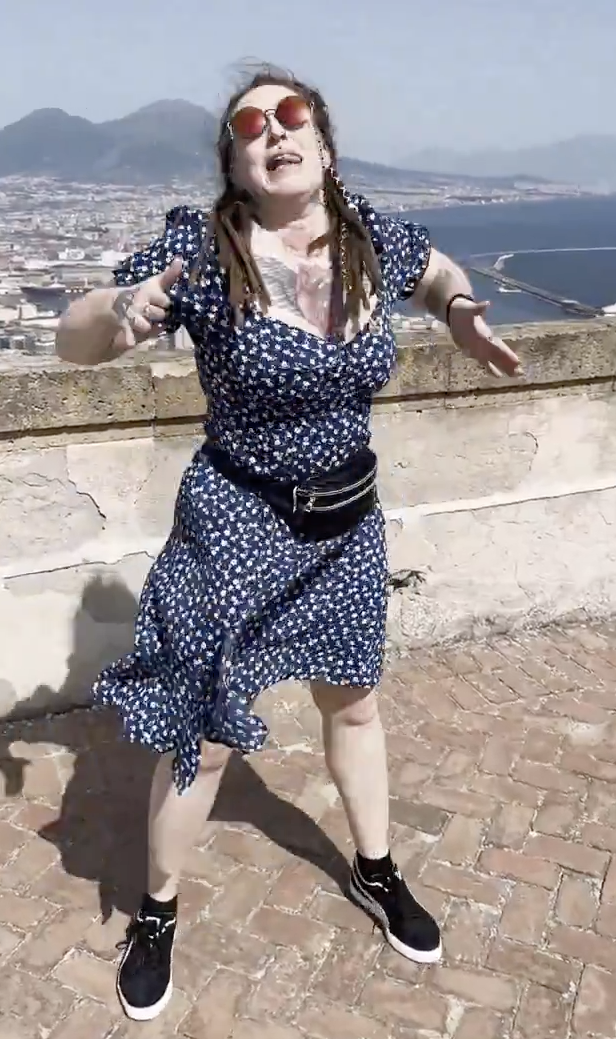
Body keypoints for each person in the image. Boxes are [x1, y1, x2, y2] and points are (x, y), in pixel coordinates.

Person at [56, 65, 521, 1022]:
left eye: (292, 113)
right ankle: (157, 911)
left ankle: (377, 869)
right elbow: (73, 338)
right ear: (234, 164)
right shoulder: (201, 248)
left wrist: (460, 311)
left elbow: (439, 275)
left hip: (347, 524)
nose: (274, 129)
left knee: (354, 704)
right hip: (238, 521)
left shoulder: (371, 239)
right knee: (205, 738)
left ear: (326, 146)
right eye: (249, 124)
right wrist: (118, 312)